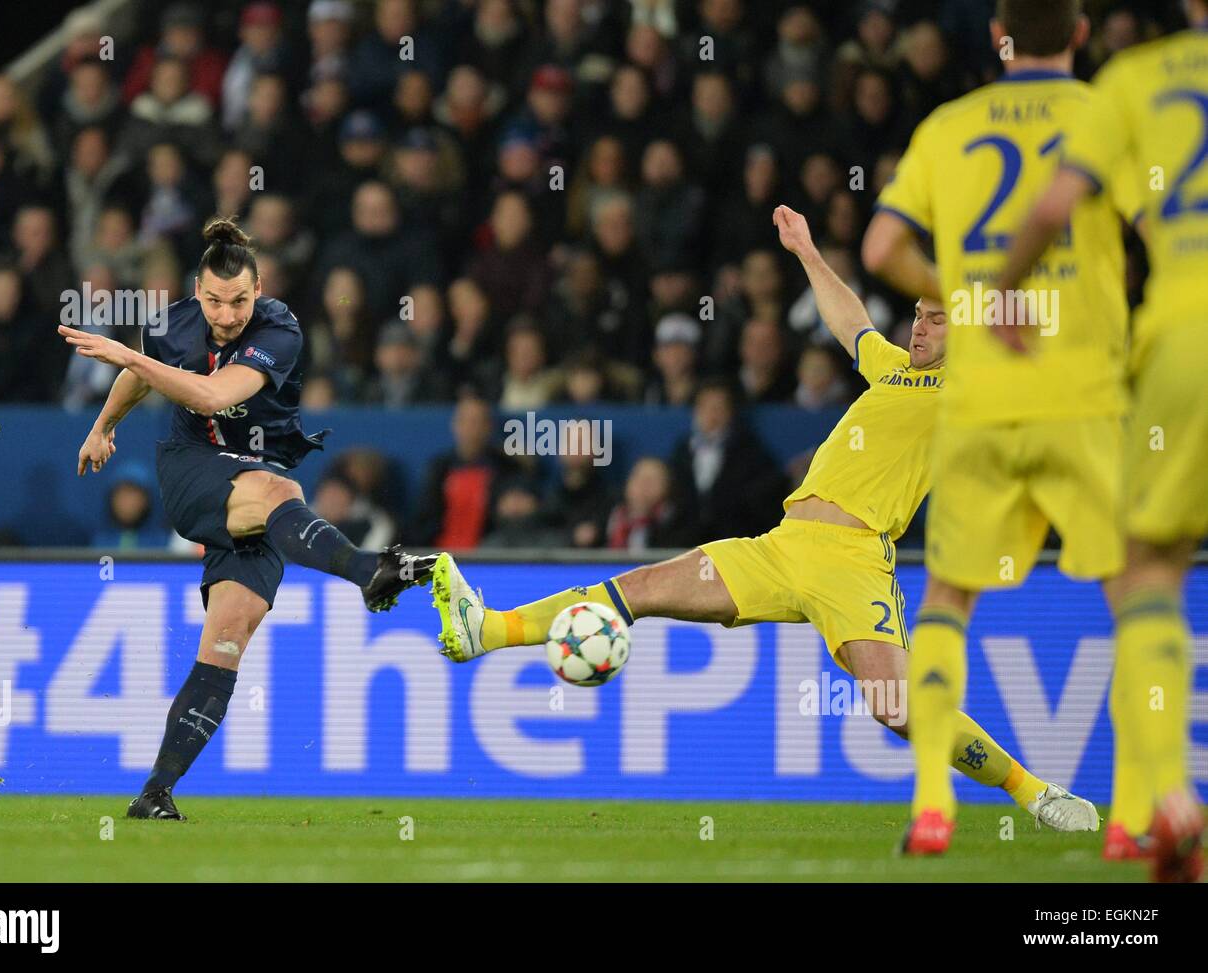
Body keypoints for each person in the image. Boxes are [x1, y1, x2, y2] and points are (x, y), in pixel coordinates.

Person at [430, 204, 1096, 833]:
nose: (920, 325)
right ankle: (485, 628)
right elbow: (850, 322)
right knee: (637, 588)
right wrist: (807, 251)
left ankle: (1034, 793)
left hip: (853, 562)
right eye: (919, 314)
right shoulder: (894, 371)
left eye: (939, 318)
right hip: (779, 547)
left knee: (896, 708)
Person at [861, 0, 1132, 855]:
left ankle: (934, 801)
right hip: (1081, 390)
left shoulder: (948, 124)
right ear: (1082, 34)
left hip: (977, 399)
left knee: (946, 600)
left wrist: (971, 299)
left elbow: (880, 252)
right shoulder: (1108, 111)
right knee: (1136, 593)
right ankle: (1143, 809)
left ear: (996, 37)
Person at [60, 217, 438, 821]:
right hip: (193, 471)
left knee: (228, 638)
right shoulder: (175, 323)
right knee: (276, 486)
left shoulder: (280, 330)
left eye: (238, 300)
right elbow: (139, 376)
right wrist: (103, 425)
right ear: (197, 289)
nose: (227, 314)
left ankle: (154, 792)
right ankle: (370, 570)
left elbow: (211, 394)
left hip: (253, 493)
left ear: (258, 290)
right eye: (213, 299)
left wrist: (128, 355)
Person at [993, 0, 1208, 882]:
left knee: (1148, 570)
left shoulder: (1131, 83)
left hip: (1184, 336)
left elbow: (1053, 205)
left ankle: (1172, 799)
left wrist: (1004, 288)